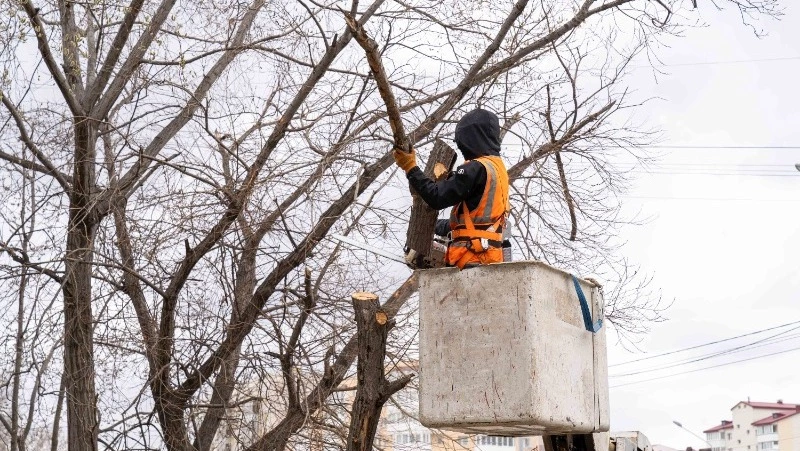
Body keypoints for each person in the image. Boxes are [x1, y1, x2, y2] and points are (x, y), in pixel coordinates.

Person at [393, 108, 510, 269]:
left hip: (471, 260)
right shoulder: (498, 169)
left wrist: (411, 168)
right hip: (489, 258)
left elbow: (436, 197)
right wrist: (433, 226)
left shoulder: (475, 168)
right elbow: (476, 224)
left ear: (470, 137)